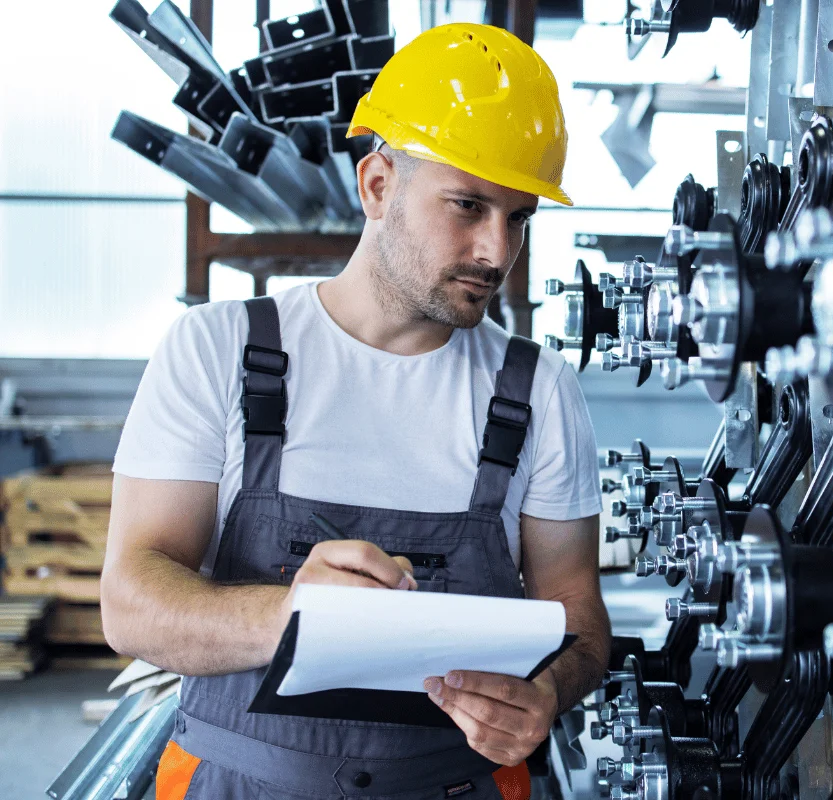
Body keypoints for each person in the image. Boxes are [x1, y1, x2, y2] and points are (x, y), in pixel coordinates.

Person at [100, 22, 609, 800]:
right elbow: (132, 604)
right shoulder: (219, 352)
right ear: (377, 185)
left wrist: (549, 692)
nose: (495, 249)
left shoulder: (537, 390)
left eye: (519, 217)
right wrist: (294, 616)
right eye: (467, 205)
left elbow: (578, 614)